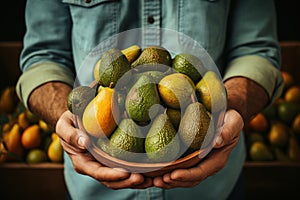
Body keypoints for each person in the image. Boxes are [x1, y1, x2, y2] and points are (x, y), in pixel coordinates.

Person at [16, 0, 284, 199]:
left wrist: (229, 108)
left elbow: (256, 50)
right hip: (93, 191)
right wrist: (67, 121)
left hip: (213, 187)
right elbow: (43, 56)